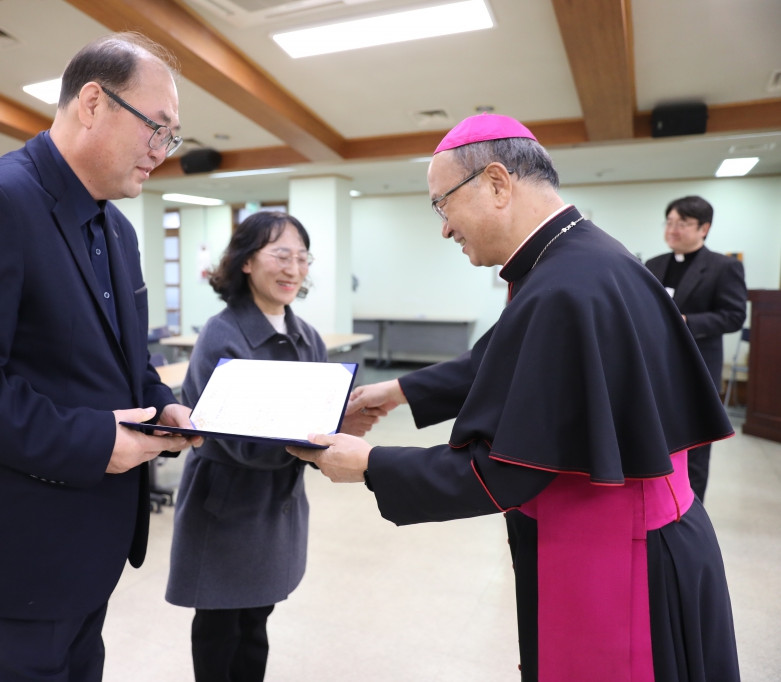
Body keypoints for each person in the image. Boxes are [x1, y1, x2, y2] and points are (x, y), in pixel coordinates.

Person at [289, 114, 740, 682]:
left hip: (620, 558)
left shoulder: (565, 284)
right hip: (646, 536)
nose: (445, 230)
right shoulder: (580, 259)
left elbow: (505, 470)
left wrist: (369, 465)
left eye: (441, 205)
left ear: (498, 183)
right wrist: (398, 391)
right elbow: (506, 358)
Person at [0, 33, 198, 682]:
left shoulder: (114, 228)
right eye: (157, 128)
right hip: (4, 559)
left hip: (86, 551)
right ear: (92, 101)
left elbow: (123, 358)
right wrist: (93, 439)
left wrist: (162, 403)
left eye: (170, 138)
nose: (160, 152)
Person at [165, 211, 381, 682]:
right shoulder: (221, 335)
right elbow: (235, 439)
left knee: (257, 623)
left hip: (277, 507)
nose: (293, 268)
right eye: (280, 254)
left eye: (302, 258)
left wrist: (338, 428)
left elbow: (316, 419)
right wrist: (318, 441)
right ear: (245, 261)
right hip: (226, 508)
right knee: (220, 626)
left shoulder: (308, 337)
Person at [645, 196, 746, 502]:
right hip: (656, 368)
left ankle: (691, 511)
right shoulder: (654, 264)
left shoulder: (723, 266)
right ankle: (658, 503)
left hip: (697, 368)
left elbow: (733, 316)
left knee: (696, 448)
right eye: (670, 222)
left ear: (704, 228)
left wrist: (686, 320)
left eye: (682, 223)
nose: (672, 229)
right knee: (657, 442)